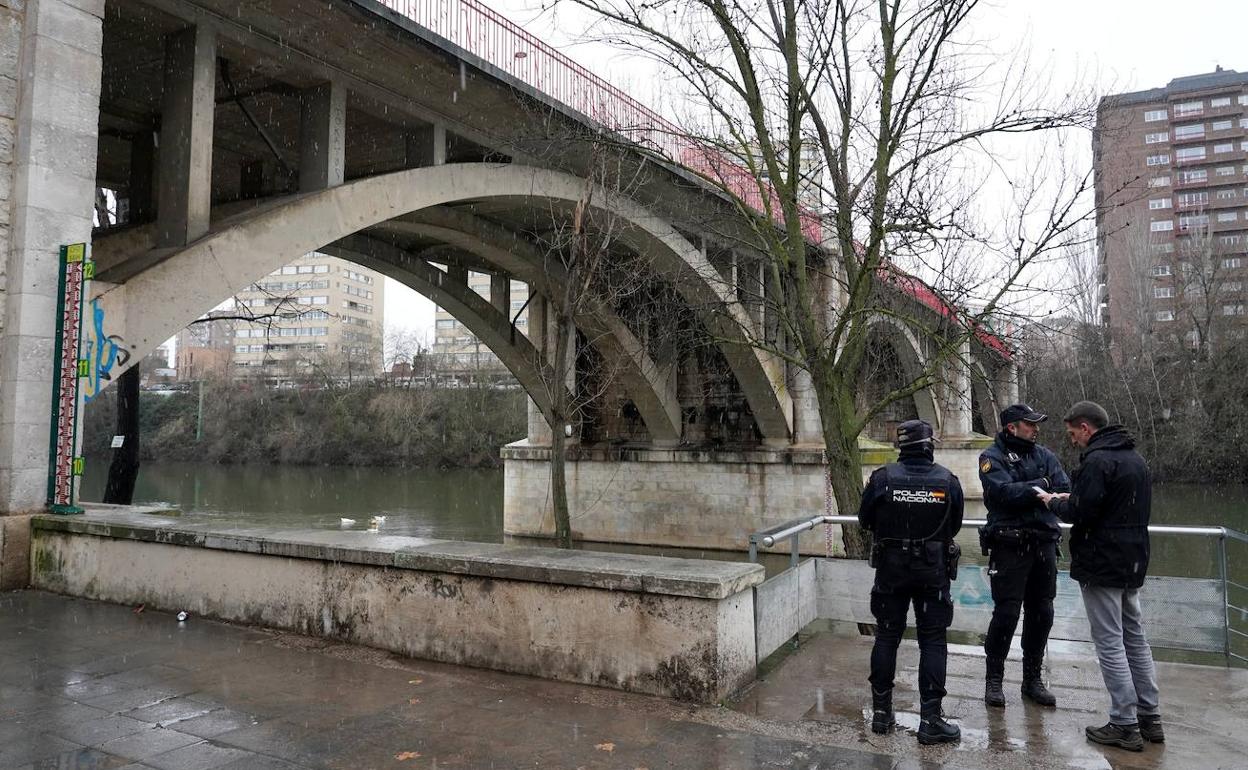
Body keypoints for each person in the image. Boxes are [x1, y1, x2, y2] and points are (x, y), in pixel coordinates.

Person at [1039, 401, 1162, 752]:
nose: (1073, 440)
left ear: (1085, 428)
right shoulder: (1135, 460)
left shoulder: (1097, 461)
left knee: (1109, 642)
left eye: (1072, 433)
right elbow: (1113, 506)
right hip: (1132, 560)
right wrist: (1075, 497)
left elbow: (1081, 513)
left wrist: (1053, 501)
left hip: (1102, 561)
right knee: (1135, 638)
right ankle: (1149, 716)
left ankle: (1123, 722)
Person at [859, 419, 964, 745]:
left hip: (891, 570)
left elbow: (865, 520)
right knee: (933, 641)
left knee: (887, 637)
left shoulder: (882, 479)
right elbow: (955, 525)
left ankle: (881, 714)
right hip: (932, 573)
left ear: (901, 447)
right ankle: (930, 720)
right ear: (930, 445)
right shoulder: (948, 481)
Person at [977, 403, 1071, 708]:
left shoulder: (1045, 455)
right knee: (1006, 614)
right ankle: (994, 681)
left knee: (1042, 613)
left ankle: (1032, 679)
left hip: (1043, 544)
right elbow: (1003, 494)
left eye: (1036, 423)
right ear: (1011, 427)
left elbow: (1064, 489)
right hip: (1009, 545)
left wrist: (1032, 490)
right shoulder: (991, 457)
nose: (1036, 428)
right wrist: (1041, 487)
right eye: (1029, 424)